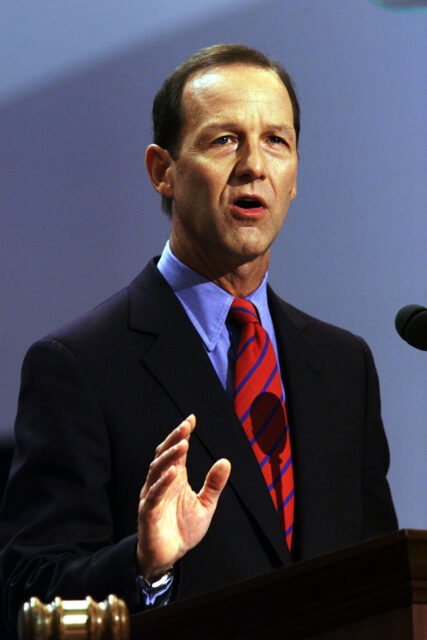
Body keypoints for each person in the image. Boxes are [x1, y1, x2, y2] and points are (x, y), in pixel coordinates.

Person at [0, 44, 397, 635]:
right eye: (224, 141)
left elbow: (384, 581)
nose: (254, 166)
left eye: (276, 142)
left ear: (294, 179)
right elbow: (28, 596)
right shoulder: (80, 364)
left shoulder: (343, 365)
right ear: (164, 170)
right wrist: (144, 565)